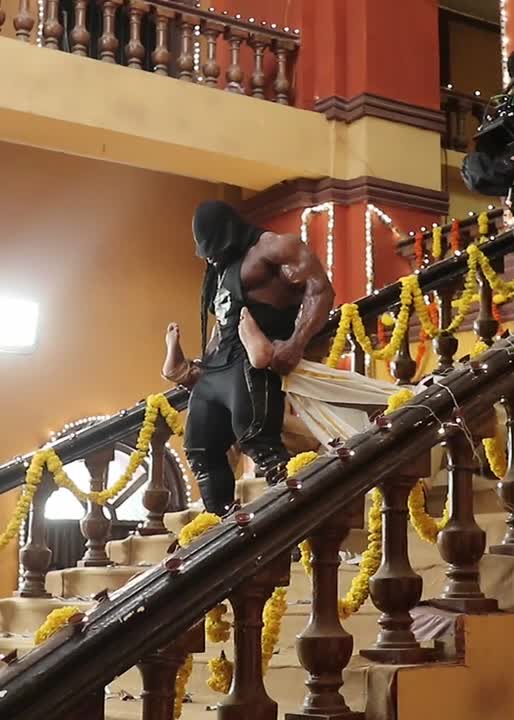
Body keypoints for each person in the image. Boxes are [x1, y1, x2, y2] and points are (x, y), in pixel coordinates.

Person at [162, 201, 334, 516]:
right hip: (217, 368)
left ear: (227, 233)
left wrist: (296, 343)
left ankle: (297, 524)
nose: (209, 256)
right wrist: (201, 364)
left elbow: (320, 290)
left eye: (212, 247)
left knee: (260, 442)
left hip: (252, 361)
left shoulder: (275, 248)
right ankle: (225, 528)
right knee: (200, 449)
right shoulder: (220, 268)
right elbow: (224, 321)